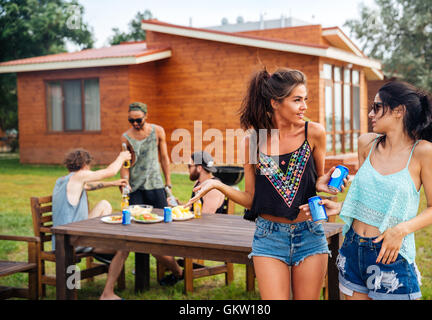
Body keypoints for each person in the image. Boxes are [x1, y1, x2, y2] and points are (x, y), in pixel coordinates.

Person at [185, 68, 346, 300]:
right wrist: (218, 186)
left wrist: (326, 184)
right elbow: (251, 199)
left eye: (305, 100)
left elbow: (316, 180)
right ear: (275, 103)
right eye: (297, 100)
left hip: (309, 233)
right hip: (269, 237)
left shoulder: (314, 132)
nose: (304, 106)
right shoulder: (253, 141)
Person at [301, 80, 432, 300]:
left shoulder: (422, 152)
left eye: (377, 107)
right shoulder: (366, 144)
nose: (371, 113)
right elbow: (367, 198)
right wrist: (340, 206)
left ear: (399, 111)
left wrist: (401, 230)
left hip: (391, 255)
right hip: (352, 247)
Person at [52, 148, 132, 300]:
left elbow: (89, 186)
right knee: (124, 247)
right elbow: (110, 171)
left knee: (104, 204)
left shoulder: (64, 180)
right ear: (85, 164)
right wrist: (122, 157)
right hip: (72, 242)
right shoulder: (80, 176)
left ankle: (104, 247)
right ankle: (107, 294)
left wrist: (113, 183)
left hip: (64, 239)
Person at [120, 102, 183, 286]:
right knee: (137, 228)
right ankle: (142, 272)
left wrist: (168, 182)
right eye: (131, 121)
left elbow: (164, 157)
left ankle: (169, 264)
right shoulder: (125, 137)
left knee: (164, 224)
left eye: (138, 120)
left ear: (146, 116)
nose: (135, 124)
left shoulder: (158, 131)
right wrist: (125, 183)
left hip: (155, 184)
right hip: (136, 187)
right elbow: (125, 164)